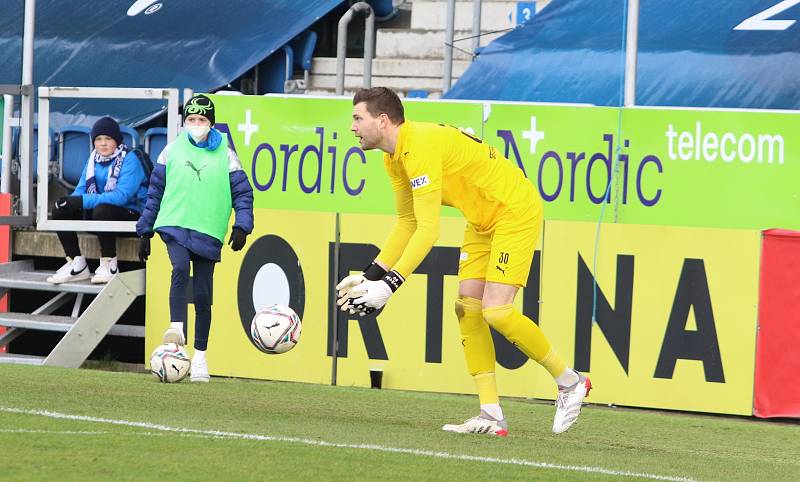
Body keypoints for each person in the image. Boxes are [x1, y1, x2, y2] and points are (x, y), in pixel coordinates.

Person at [337, 87, 592, 435]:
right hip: (481, 219)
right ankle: (491, 414)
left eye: (357, 118)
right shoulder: (392, 157)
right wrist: (372, 275)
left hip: (513, 210)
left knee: (496, 311)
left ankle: (570, 382)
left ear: (382, 120)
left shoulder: (419, 145)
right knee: (467, 309)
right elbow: (407, 222)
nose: (352, 127)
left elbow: (428, 230)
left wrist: (390, 285)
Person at [136, 94, 254, 383]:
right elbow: (155, 194)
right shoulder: (171, 151)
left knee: (203, 295)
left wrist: (242, 225)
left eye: (201, 120)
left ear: (211, 123)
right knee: (178, 268)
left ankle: (200, 357)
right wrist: (144, 230)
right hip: (174, 223)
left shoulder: (226, 153)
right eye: (191, 119)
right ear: (184, 122)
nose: (196, 124)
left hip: (209, 230)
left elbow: (243, 192)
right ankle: (177, 332)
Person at [47, 116, 148, 285]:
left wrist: (81, 201)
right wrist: (69, 202)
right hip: (100, 215)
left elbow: (121, 196)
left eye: (108, 139)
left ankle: (110, 264)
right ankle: (76, 263)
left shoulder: (131, 159)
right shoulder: (93, 158)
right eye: (99, 139)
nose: (103, 143)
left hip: (133, 217)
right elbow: (80, 190)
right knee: (60, 208)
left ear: (117, 141)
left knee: (103, 209)